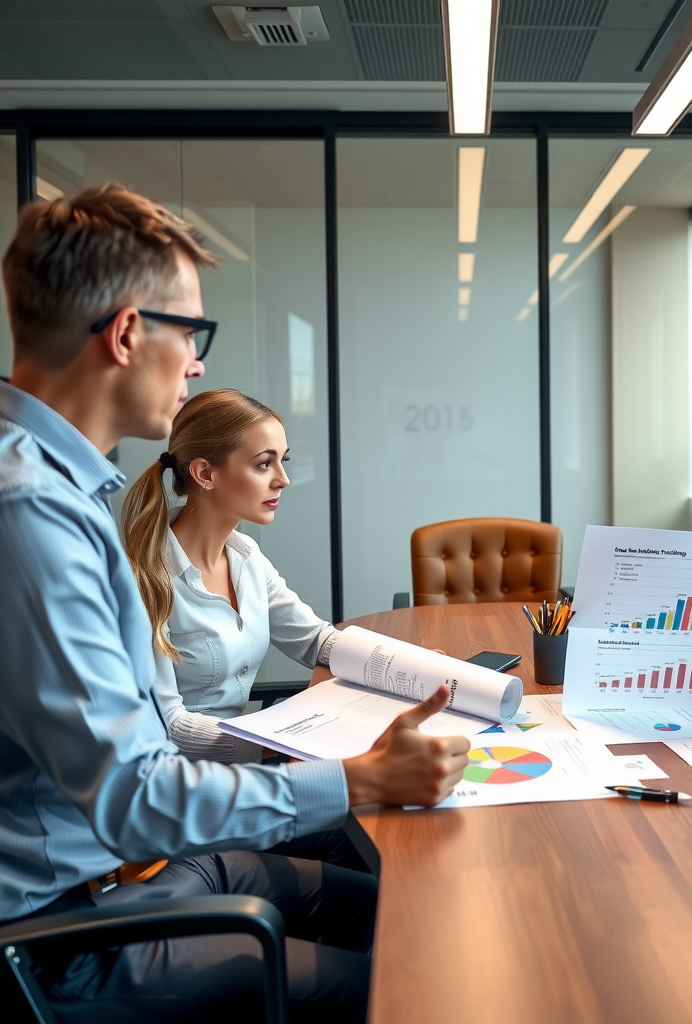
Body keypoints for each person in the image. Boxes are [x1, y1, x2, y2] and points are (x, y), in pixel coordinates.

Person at [0, 183, 470, 1022]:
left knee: (398, 913)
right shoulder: (30, 511)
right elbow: (134, 795)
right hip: (64, 928)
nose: (198, 361)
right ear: (127, 332)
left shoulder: (57, 492)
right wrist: (357, 779)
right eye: (192, 333)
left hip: (113, 877)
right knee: (413, 987)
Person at [122, 387, 360, 866]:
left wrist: (403, 664)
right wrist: (275, 749)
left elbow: (315, 640)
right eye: (263, 464)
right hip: (196, 800)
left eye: (282, 461)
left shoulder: (246, 556)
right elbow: (170, 726)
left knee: (369, 827)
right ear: (205, 473)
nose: (284, 480)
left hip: (251, 772)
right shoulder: (143, 579)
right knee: (360, 843)